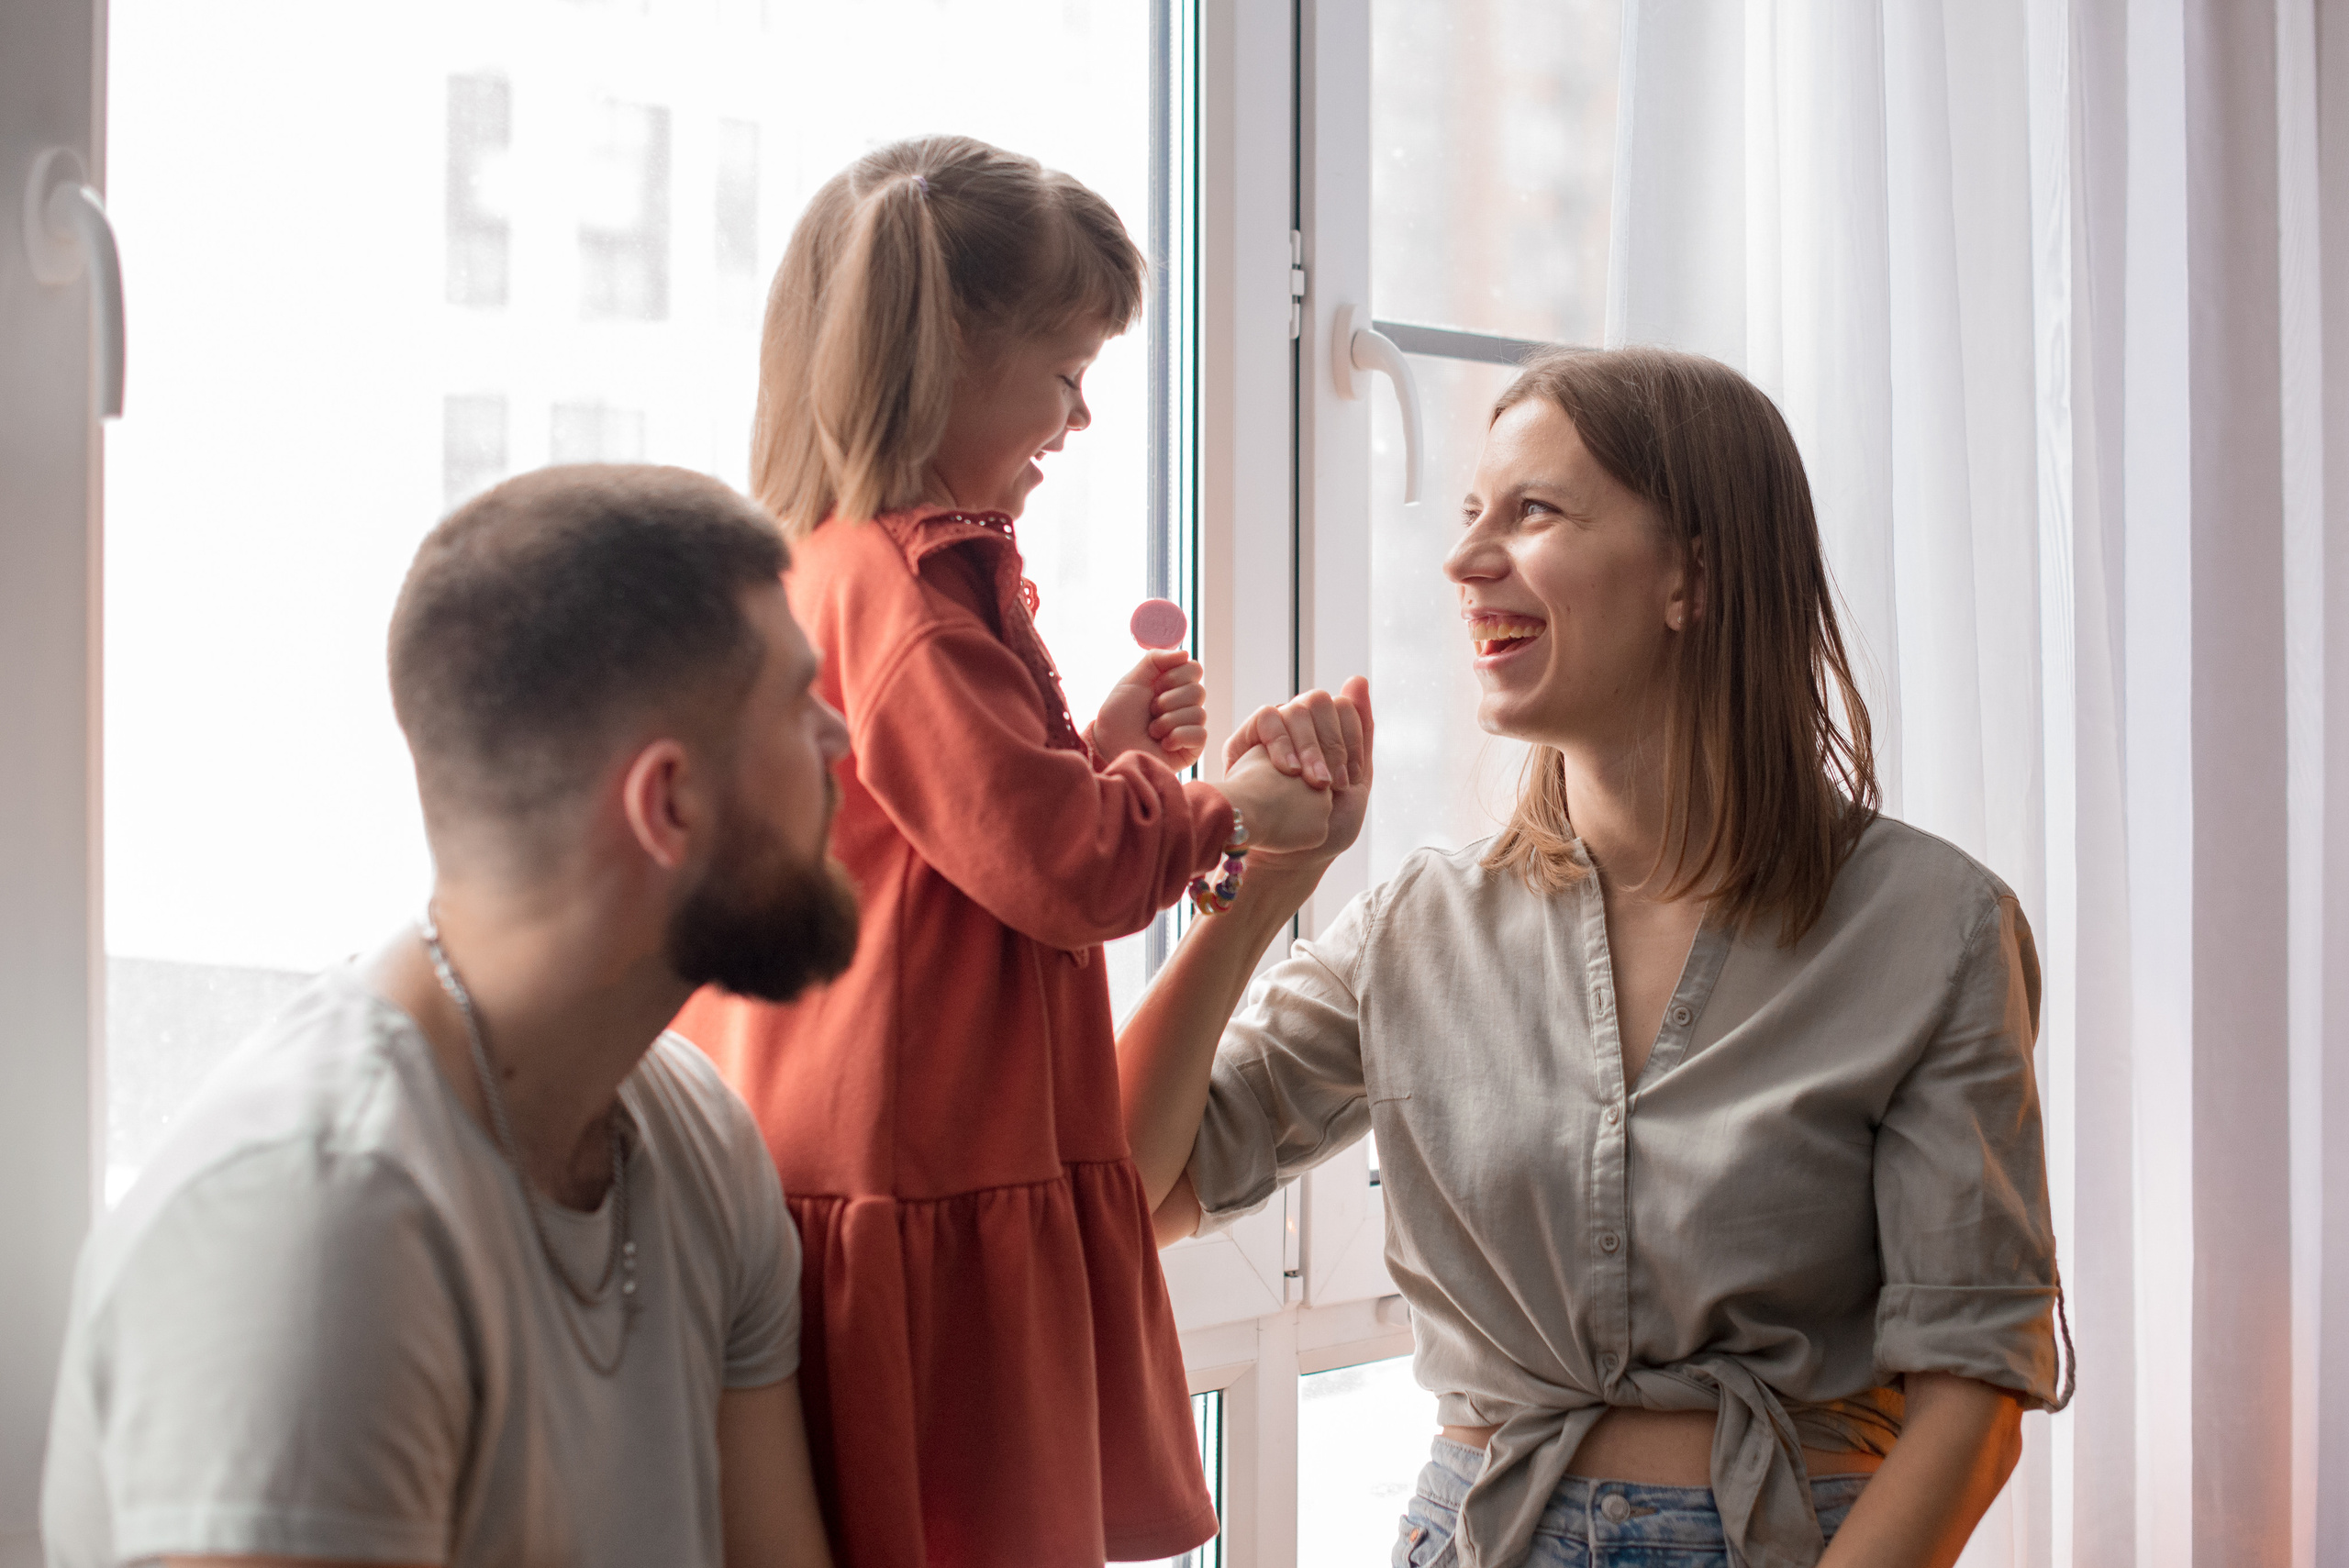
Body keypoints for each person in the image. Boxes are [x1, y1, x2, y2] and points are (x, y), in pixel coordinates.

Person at [1119, 346, 2074, 1568]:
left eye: (1533, 512)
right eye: (1470, 515)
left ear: (1694, 576)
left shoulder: (1933, 929)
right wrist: (1249, 887)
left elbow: (1973, 1393)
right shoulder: (1419, 924)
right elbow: (1124, 1195)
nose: (1465, 561)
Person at [670, 135, 1363, 1568]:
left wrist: (1108, 756)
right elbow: (1061, 873)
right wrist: (1229, 811)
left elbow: (949, 843)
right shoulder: (916, 597)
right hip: (917, 1151)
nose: (1084, 417)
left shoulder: (834, 569)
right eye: (1062, 377)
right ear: (948, 365)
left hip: (866, 1131)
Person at [42, 465, 853, 1568]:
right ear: (668, 802)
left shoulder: (699, 1137)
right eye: (797, 701)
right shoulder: (318, 1225)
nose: (838, 739)